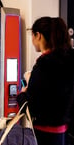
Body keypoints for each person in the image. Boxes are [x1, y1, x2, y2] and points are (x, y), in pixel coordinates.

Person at [17, 16, 74, 145]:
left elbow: (32, 108)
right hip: (65, 132)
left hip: (45, 134)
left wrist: (22, 94)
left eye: (32, 35)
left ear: (38, 36)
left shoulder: (43, 65)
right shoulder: (69, 59)